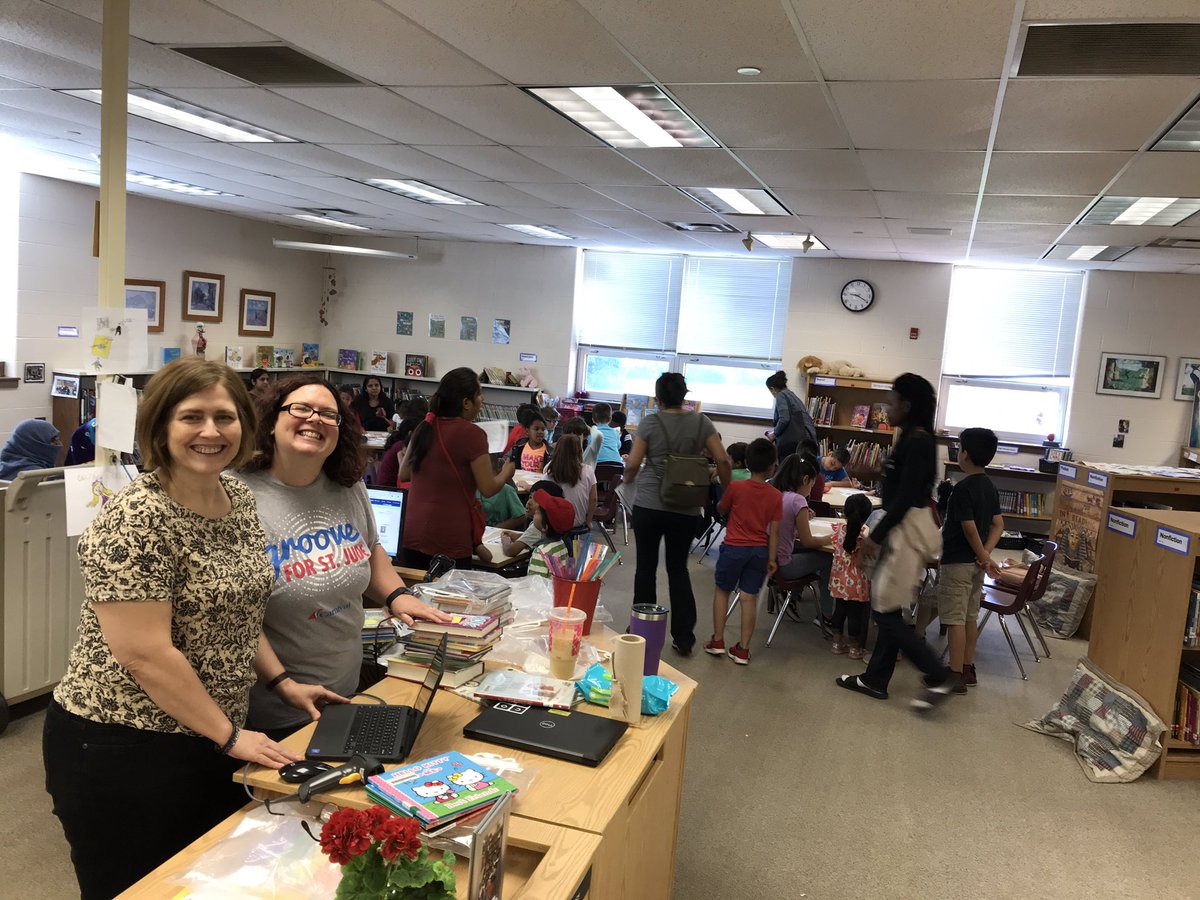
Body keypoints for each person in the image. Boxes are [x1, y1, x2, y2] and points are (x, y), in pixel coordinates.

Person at [42, 359, 338, 900]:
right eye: (192, 417)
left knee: (206, 881)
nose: (211, 431)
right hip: (120, 743)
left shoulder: (237, 498)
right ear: (161, 426)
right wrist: (230, 735)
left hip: (207, 733)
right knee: (139, 889)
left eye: (224, 417)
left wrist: (281, 683)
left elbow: (238, 612)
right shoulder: (135, 519)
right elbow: (145, 654)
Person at [239, 376, 449, 740]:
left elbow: (370, 548)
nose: (315, 419)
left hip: (346, 690)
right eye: (301, 409)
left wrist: (399, 595)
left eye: (328, 414)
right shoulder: (235, 495)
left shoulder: (348, 485)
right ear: (271, 421)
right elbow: (236, 616)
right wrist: (283, 683)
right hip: (275, 709)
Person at [836, 373, 955, 711]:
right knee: (888, 608)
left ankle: (939, 675)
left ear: (907, 404)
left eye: (891, 402)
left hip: (906, 530)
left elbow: (904, 498)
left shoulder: (918, 441)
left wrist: (874, 536)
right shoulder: (912, 437)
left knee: (886, 611)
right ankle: (875, 679)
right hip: (901, 526)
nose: (887, 409)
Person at [625, 372, 731, 656]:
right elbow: (722, 459)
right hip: (686, 505)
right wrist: (725, 491)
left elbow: (633, 463)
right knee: (678, 569)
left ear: (658, 398)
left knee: (645, 568)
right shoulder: (701, 421)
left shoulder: (650, 422)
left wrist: (626, 481)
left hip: (649, 504)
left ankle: (642, 631)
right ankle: (684, 637)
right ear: (684, 396)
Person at [399, 368, 516, 569]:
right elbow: (488, 488)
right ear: (466, 403)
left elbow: (404, 474)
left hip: (411, 534)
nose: (483, 399)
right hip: (449, 537)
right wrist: (506, 472)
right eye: (479, 393)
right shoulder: (472, 434)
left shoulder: (424, 427)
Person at [703, 438, 781, 665]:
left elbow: (721, 508)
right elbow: (775, 531)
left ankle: (718, 640)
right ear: (771, 467)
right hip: (759, 552)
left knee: (722, 591)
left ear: (747, 462)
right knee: (748, 598)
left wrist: (723, 505)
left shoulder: (736, 488)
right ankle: (743, 650)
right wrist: (772, 559)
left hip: (734, 548)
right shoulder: (776, 495)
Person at [938, 427, 1004, 690]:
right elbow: (998, 524)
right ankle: (967, 668)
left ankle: (954, 674)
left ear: (964, 454)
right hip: (976, 565)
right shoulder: (990, 486)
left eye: (959, 447)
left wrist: (982, 555)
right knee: (969, 616)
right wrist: (985, 555)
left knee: (954, 618)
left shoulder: (962, 489)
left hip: (957, 562)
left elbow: (969, 528)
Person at [770, 454, 834, 614]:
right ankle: (827, 614)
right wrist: (831, 537)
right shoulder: (798, 500)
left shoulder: (775, 493)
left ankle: (793, 598)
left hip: (768, 561)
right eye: (811, 485)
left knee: (808, 551)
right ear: (805, 480)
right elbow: (808, 541)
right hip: (784, 567)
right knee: (828, 559)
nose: (810, 491)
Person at [828, 493, 874, 659]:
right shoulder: (863, 538)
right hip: (856, 583)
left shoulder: (839, 531)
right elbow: (863, 561)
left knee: (839, 610)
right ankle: (855, 648)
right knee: (856, 615)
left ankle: (837, 643)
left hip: (839, 579)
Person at [502, 483, 575, 558]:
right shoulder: (559, 541)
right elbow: (536, 538)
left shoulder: (539, 553)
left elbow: (510, 551)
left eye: (539, 511)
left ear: (545, 526)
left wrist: (505, 540)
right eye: (530, 497)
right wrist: (519, 536)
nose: (529, 502)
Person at [545, 433, 596, 531]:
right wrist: (589, 521)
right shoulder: (588, 470)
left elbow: (541, 490)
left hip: (555, 524)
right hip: (578, 522)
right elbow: (593, 499)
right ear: (580, 451)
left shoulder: (551, 472)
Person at [766, 369, 816, 462]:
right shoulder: (791, 394)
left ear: (772, 389)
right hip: (805, 439)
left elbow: (784, 419)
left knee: (788, 465)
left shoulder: (780, 395)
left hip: (792, 442)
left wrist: (774, 434)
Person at [480, 457, 527, 530]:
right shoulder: (474, 487)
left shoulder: (507, 490)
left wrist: (499, 527)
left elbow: (521, 516)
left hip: (496, 533)